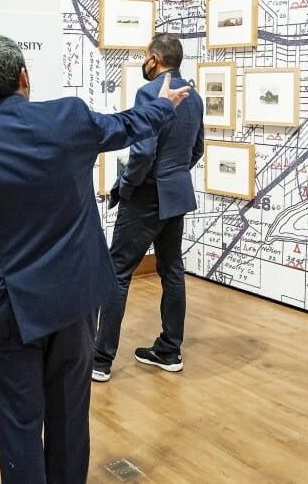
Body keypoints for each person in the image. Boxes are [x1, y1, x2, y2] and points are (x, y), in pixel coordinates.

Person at [0, 35, 190, 483]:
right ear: (23, 78)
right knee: (71, 415)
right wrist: (164, 104)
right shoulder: (68, 117)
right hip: (75, 300)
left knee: (18, 422)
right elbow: (126, 125)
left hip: (8, 308)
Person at [92, 33, 204, 382]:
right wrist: (173, 175)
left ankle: (99, 360)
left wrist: (126, 186)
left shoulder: (150, 93)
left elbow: (141, 153)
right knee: (171, 270)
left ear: (155, 59)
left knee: (118, 273)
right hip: (176, 194)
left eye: (145, 56)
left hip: (146, 195)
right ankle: (169, 350)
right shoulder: (195, 97)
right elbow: (196, 149)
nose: (144, 61)